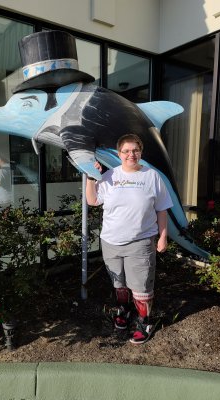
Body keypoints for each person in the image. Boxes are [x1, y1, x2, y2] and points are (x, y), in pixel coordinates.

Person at [86, 133, 173, 344]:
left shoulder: (152, 176)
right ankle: (123, 312)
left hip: (140, 242)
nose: (131, 154)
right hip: (111, 242)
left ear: (141, 152)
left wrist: (163, 237)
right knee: (119, 284)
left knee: (141, 286)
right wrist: (90, 177)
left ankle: (145, 321)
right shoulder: (110, 176)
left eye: (135, 150)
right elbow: (93, 200)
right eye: (126, 151)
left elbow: (162, 210)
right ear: (119, 154)